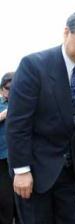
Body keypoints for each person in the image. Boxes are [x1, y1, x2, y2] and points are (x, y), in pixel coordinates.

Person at [6, 10, 75, 224]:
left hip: (71, 171)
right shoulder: (34, 66)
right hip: (35, 169)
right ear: (66, 32)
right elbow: (18, 124)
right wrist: (21, 170)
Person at [0, 72, 18, 224]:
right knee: (5, 201)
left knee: (23, 201)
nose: (11, 92)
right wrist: (5, 114)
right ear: (2, 89)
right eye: (8, 88)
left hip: (22, 159)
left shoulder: (26, 102)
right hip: (2, 160)